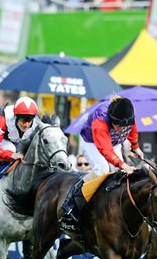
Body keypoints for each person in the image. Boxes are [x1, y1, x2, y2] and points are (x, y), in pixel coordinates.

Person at [59, 95, 143, 232]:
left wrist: (135, 146)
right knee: (102, 169)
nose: (121, 129)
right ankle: (72, 203)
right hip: (92, 143)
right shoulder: (100, 119)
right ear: (111, 118)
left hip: (115, 143)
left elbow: (132, 128)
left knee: (119, 174)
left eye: (124, 126)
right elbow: (105, 149)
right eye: (118, 125)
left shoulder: (128, 115)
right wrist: (123, 165)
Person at [0, 96, 39, 190]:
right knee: (11, 149)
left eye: (29, 120)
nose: (26, 124)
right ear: (15, 116)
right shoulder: (1, 119)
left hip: (16, 140)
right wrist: (12, 155)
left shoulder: (37, 123)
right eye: (22, 120)